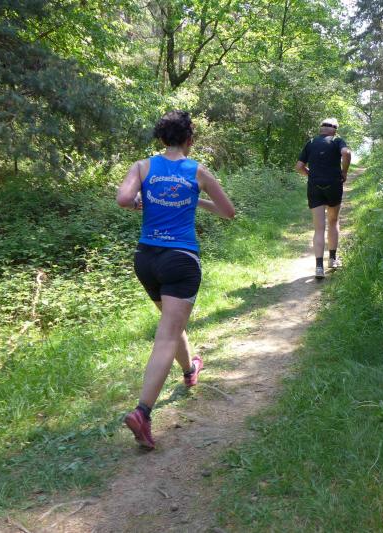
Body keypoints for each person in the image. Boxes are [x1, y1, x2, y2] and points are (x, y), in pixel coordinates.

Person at [116, 110, 235, 449]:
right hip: (181, 259)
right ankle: (142, 412)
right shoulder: (198, 171)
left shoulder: (143, 167)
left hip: (146, 259)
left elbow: (123, 199)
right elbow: (228, 212)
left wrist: (139, 202)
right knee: (168, 333)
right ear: (189, 140)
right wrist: (197, 199)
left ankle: (190, 370)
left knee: (172, 324)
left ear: (161, 139)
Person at [295, 118, 352, 279]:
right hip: (333, 185)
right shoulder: (337, 141)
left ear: (321, 129)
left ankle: (319, 267)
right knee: (333, 222)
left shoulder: (311, 142)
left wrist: (310, 174)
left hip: (314, 187)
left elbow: (299, 167)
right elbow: (346, 153)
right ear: (334, 129)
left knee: (319, 228)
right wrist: (344, 172)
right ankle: (332, 260)